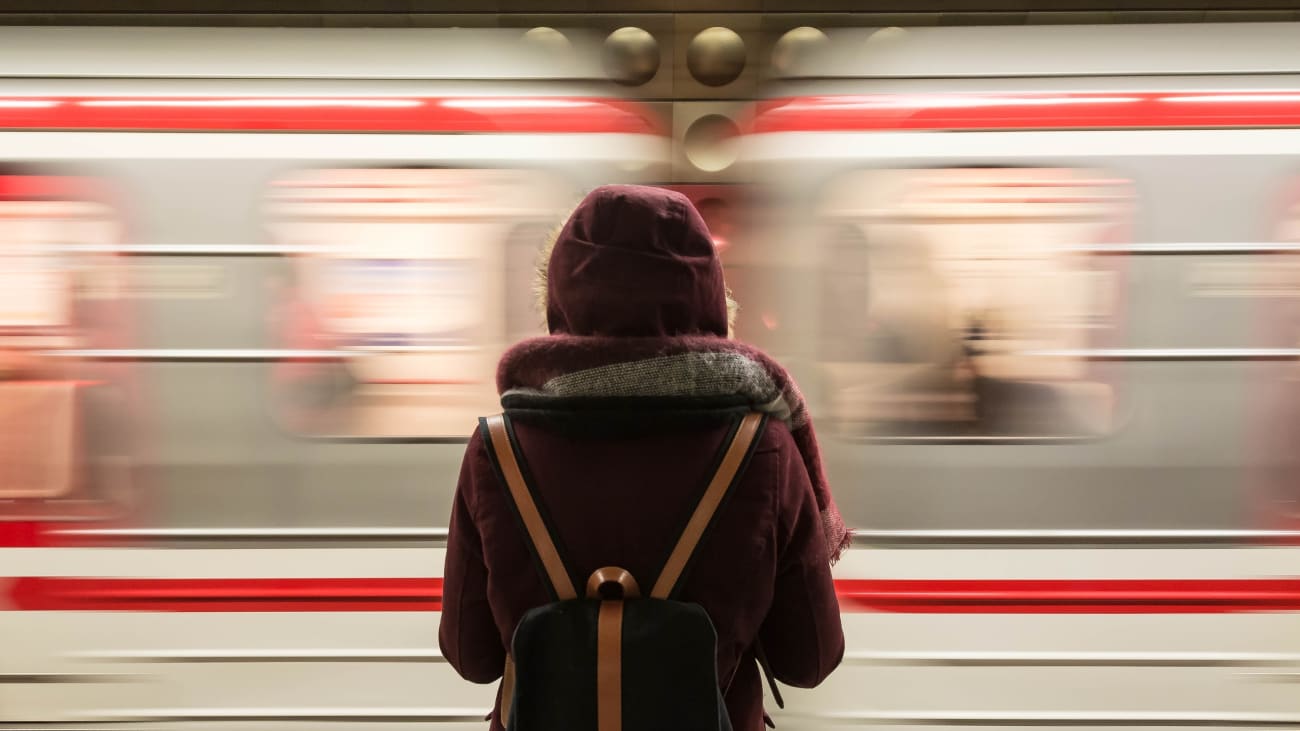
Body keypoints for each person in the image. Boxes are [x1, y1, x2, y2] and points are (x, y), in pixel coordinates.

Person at [439, 185, 848, 730]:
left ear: (560, 297)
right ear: (708, 296)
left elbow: (472, 657)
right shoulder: (765, 448)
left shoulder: (498, 449)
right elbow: (809, 661)